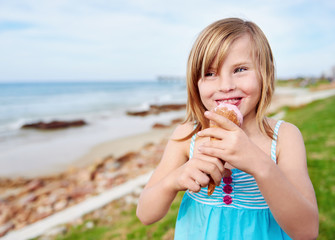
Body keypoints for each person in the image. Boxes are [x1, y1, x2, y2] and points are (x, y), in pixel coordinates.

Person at [136, 18, 319, 239]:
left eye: (240, 69)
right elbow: (145, 214)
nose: (225, 86)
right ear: (196, 82)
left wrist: (260, 165)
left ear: (265, 74)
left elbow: (307, 231)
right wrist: (173, 180)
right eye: (210, 73)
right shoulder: (187, 136)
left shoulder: (284, 138)